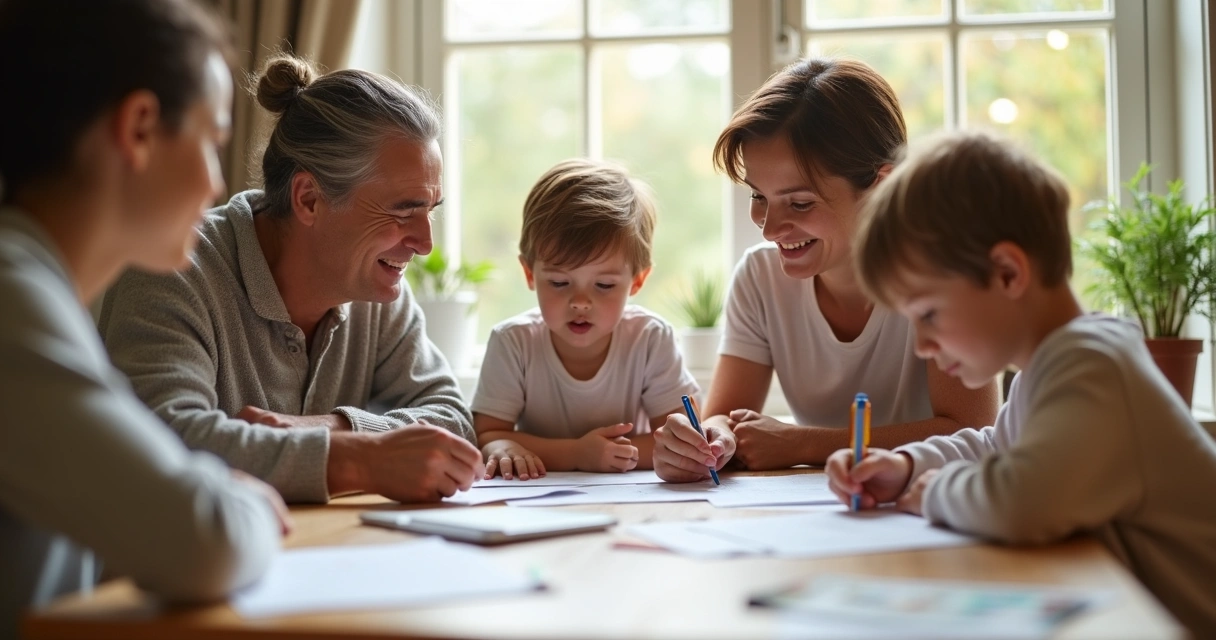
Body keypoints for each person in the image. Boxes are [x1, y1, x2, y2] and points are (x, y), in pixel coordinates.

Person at [824, 130, 1216, 635]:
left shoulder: (1092, 364)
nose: (921, 344)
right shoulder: (1052, 364)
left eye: (929, 314)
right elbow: (996, 448)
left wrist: (934, 489)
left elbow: (1024, 502)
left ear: (1007, 273)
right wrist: (904, 466)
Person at [0, 0, 287, 635]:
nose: (217, 184)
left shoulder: (36, 291)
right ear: (138, 129)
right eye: (213, 140)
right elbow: (201, 543)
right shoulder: (12, 299)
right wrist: (248, 503)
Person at [99, 52, 483, 504]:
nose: (424, 243)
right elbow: (163, 441)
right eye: (403, 210)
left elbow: (453, 419)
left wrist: (332, 428)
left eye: (430, 210)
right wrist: (361, 460)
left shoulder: (376, 287)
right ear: (309, 199)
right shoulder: (173, 270)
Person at [652, 57, 999, 482]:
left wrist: (804, 443)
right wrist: (709, 439)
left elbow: (974, 432)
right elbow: (725, 417)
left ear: (881, 185)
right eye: (759, 196)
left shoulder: (945, 276)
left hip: (935, 508)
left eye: (800, 203)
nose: (770, 230)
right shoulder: (762, 279)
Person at [472, 159, 700, 479]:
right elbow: (489, 435)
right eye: (559, 283)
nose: (580, 303)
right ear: (529, 273)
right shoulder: (512, 342)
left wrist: (603, 455)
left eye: (604, 285)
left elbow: (681, 438)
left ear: (637, 281)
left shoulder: (650, 338)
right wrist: (577, 454)